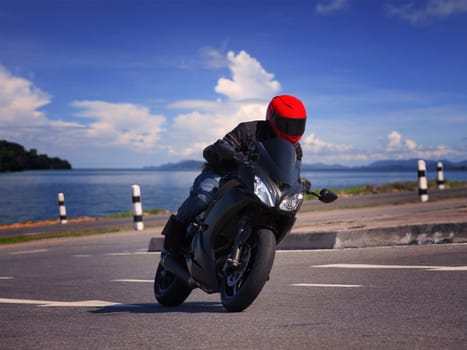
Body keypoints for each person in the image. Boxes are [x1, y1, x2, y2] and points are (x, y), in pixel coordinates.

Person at [162, 94, 307, 254]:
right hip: (222, 173)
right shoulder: (249, 130)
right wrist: (231, 153)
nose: (291, 129)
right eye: (286, 124)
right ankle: (175, 231)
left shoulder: (295, 150)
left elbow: (291, 173)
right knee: (203, 197)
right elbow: (225, 144)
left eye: (297, 125)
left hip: (257, 183)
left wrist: (300, 184)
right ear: (272, 117)